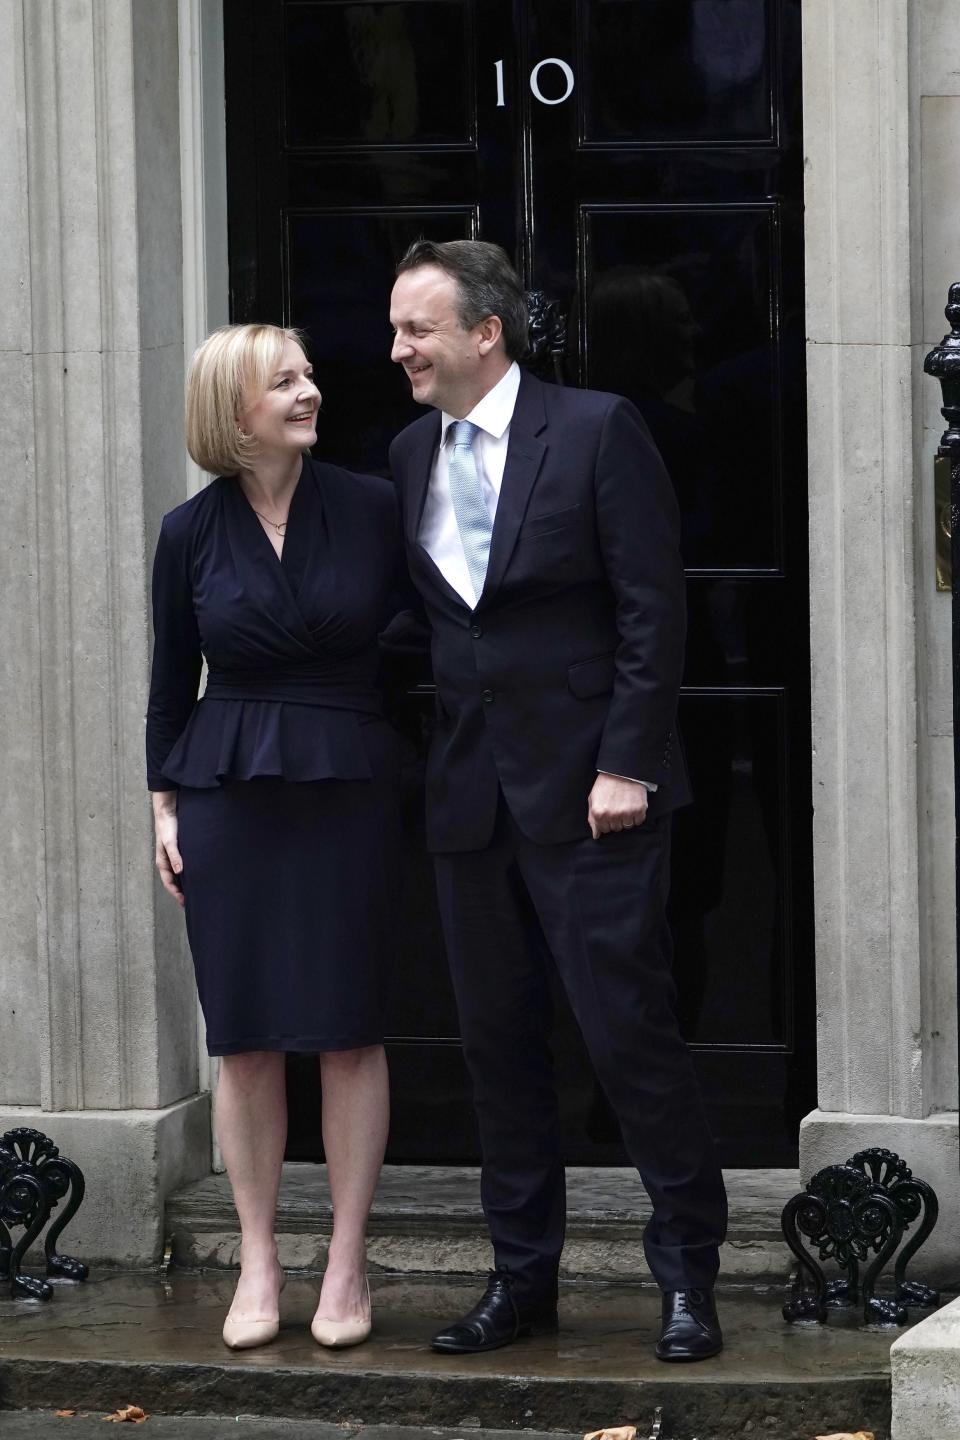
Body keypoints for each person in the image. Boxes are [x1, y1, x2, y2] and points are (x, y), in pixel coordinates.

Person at [388, 240, 728, 1363]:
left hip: (596, 797)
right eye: (397, 330)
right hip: (471, 800)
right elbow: (431, 624)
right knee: (498, 1048)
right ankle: (520, 1279)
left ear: (486, 332)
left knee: (629, 1037)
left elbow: (652, 610)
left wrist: (626, 763)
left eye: (416, 330)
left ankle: (687, 1274)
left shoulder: (595, 431)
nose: (397, 350)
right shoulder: (404, 456)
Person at [147, 324, 400, 1353]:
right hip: (230, 790)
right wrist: (163, 807)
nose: (310, 391)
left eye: (305, 375)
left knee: (347, 1027)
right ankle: (259, 1258)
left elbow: (424, 639)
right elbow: (171, 682)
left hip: (349, 781)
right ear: (232, 410)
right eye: (283, 380)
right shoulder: (188, 532)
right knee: (244, 1036)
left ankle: (347, 1260)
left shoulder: (374, 506)